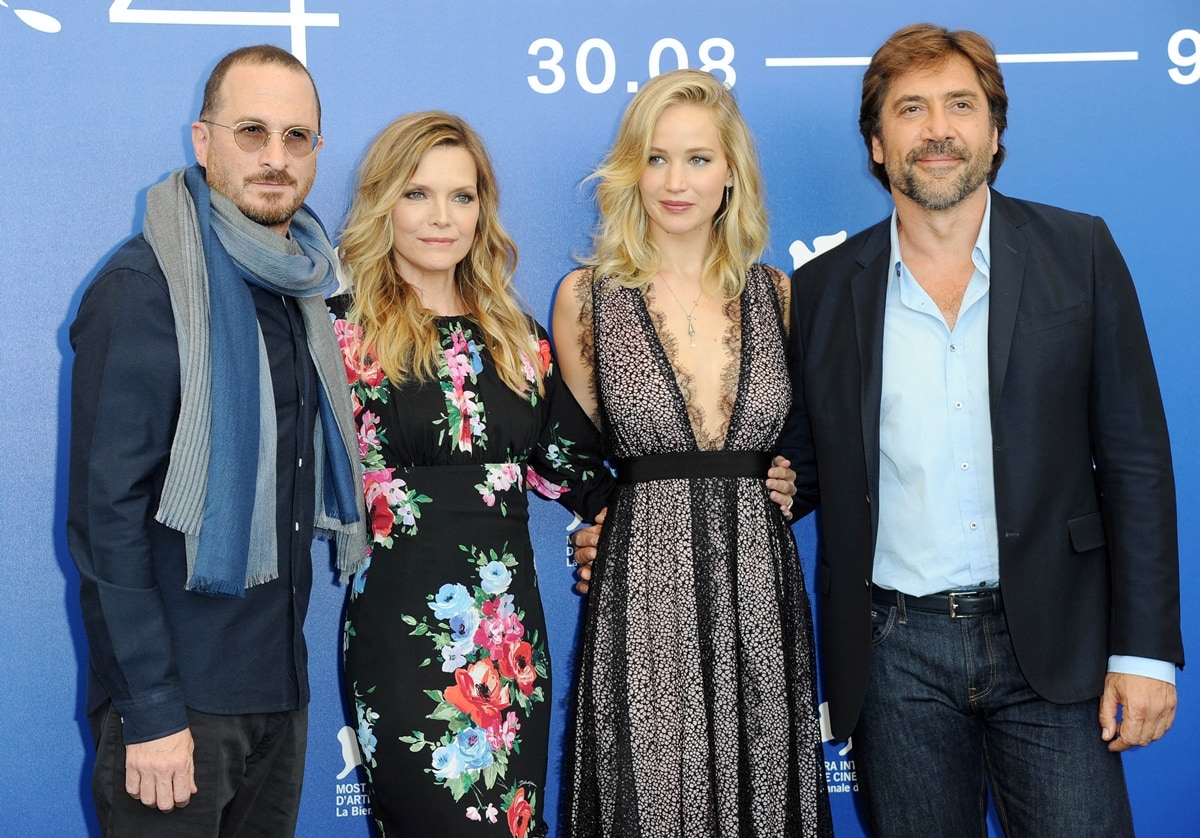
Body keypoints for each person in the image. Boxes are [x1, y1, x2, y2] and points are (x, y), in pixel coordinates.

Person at [779, 23, 1183, 837]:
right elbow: (804, 467)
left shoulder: (1081, 253)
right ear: (876, 144)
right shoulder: (823, 289)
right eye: (911, 109)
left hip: (1057, 642)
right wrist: (656, 513)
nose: (937, 131)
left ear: (994, 136)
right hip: (895, 658)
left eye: (961, 106)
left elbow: (1137, 461)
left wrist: (1143, 653)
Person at [67, 45, 366, 836]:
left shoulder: (305, 287)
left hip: (277, 697)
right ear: (203, 142)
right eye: (251, 131)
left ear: (316, 153)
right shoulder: (145, 288)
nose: (275, 156)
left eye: (296, 137)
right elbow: (107, 521)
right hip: (177, 710)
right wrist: (152, 711)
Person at [553, 69, 832, 837]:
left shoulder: (777, 293)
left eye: (699, 159)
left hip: (760, 596)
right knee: (650, 800)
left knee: (764, 798)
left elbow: (813, 440)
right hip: (641, 592)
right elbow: (565, 445)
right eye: (657, 157)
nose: (676, 182)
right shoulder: (588, 296)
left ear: (732, 173)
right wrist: (605, 513)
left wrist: (793, 483)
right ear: (630, 169)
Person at [330, 111, 616, 838]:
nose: (441, 218)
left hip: (509, 645)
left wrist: (640, 516)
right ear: (382, 202)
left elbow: (575, 469)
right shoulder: (339, 330)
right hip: (400, 639)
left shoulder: (521, 340)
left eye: (462, 197)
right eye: (418, 194)